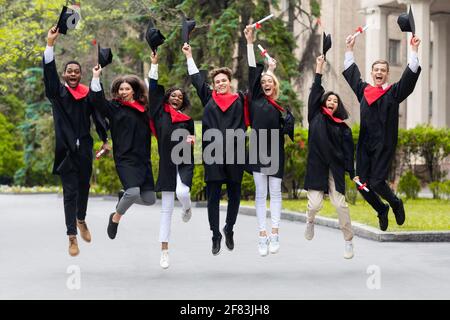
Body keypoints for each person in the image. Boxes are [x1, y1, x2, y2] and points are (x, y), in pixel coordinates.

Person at [343, 34, 421, 231]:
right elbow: (352, 74)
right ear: (372, 73)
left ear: (387, 74)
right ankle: (381, 208)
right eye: (376, 70)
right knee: (361, 183)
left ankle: (395, 203)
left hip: (384, 143)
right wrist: (350, 48)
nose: (379, 73)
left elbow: (409, 77)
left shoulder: (394, 93)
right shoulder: (364, 91)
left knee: (377, 182)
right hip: (365, 143)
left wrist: (414, 50)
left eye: (383, 70)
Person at [43, 26, 110, 257]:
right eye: (69, 71)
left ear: (80, 75)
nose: (72, 74)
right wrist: (50, 44)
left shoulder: (86, 95)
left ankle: (81, 220)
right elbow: (49, 75)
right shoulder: (58, 95)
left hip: (85, 151)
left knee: (84, 188)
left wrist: (104, 140)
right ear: (64, 75)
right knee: (69, 192)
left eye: (76, 71)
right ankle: (72, 237)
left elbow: (98, 114)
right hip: (66, 152)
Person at [182, 42, 247, 256]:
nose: (220, 84)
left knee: (235, 194)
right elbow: (196, 79)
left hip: (236, 153)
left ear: (230, 82)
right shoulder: (209, 98)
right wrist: (189, 55)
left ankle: (229, 228)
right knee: (213, 196)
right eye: (217, 81)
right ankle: (215, 235)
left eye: (223, 81)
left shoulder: (240, 100)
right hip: (213, 153)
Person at [244, 26, 294, 257]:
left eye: (269, 81)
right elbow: (253, 69)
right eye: (262, 81)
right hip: (257, 148)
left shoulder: (278, 107)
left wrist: (288, 124)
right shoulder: (254, 98)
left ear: (274, 86)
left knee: (275, 192)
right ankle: (262, 235)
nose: (265, 83)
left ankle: (275, 232)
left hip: (275, 149)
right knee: (260, 193)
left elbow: (284, 129)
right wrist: (250, 41)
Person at [90, 66, 156, 239]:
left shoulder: (144, 109)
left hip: (143, 160)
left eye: (127, 89)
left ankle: (123, 196)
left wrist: (154, 68)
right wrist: (96, 76)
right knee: (133, 192)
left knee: (150, 200)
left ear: (134, 91)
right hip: (125, 159)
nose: (124, 91)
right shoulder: (114, 108)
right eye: (121, 89)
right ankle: (116, 217)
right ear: (117, 91)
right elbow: (98, 101)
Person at [304, 55, 355, 259]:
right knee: (315, 205)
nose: (332, 101)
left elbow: (349, 153)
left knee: (340, 205)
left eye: (336, 100)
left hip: (335, 168)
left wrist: (353, 173)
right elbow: (315, 91)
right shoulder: (315, 115)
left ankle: (348, 240)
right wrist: (319, 67)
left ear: (338, 106)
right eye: (329, 99)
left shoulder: (343, 128)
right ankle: (310, 221)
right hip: (317, 166)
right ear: (324, 102)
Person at [147, 52, 195, 269]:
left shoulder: (187, 120)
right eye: (173, 95)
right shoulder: (159, 113)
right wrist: (154, 64)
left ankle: (186, 208)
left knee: (183, 193)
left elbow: (192, 137)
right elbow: (153, 89)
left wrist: (192, 140)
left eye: (180, 97)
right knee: (166, 208)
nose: (177, 98)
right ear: (167, 98)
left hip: (184, 159)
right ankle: (164, 250)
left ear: (183, 102)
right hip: (167, 162)